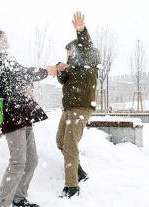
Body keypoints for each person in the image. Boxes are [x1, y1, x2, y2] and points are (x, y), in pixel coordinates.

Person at [0, 29, 57, 207]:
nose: (6, 42)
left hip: (23, 113)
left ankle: (19, 198)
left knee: (32, 161)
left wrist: (28, 86)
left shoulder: (4, 57)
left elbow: (17, 78)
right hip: (12, 115)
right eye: (2, 39)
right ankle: (1, 204)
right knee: (18, 162)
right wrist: (44, 72)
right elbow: (19, 74)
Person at [55, 12, 101, 198]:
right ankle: (79, 171)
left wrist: (81, 31)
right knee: (60, 141)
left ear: (77, 49)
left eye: (69, 51)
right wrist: (60, 70)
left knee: (69, 144)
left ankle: (72, 186)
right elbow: (63, 80)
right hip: (69, 109)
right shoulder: (72, 66)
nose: (68, 55)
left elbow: (86, 46)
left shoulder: (88, 59)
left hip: (81, 108)